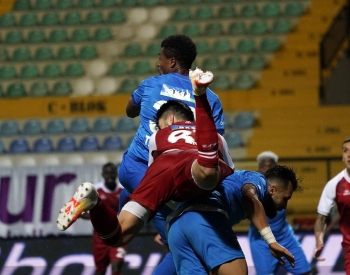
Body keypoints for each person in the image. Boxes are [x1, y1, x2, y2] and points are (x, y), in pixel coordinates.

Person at [56, 71, 233, 258]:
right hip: (193, 166)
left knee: (117, 237)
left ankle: (95, 203)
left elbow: (155, 173)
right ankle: (200, 95)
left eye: (159, 123)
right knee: (207, 174)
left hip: (160, 171)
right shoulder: (214, 136)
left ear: (170, 119)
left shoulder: (157, 137)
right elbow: (227, 173)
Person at [118, 34, 225, 274]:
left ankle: (116, 225)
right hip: (178, 175)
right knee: (181, 233)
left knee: (133, 210)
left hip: (136, 167)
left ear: (173, 62)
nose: (158, 63)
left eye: (161, 58)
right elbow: (214, 142)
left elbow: (129, 109)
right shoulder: (212, 99)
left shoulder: (151, 84)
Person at [167, 165, 299, 275]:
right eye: (285, 198)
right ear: (272, 190)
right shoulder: (259, 180)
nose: (284, 207)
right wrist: (271, 241)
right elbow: (249, 196)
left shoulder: (233, 197)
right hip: (203, 216)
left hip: (176, 225)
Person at [248, 151, 311, 275]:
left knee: (305, 272)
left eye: (270, 166)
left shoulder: (283, 187)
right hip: (261, 242)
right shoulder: (252, 190)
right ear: (258, 168)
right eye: (263, 167)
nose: (266, 170)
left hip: (285, 237)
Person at [80, 163, 126, 275]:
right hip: (99, 237)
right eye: (107, 173)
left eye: (112, 173)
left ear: (116, 174)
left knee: (116, 267)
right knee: (101, 271)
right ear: (102, 174)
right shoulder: (94, 191)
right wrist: (98, 218)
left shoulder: (123, 191)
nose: (110, 176)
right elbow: (81, 212)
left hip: (118, 234)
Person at [314, 137, 350, 274]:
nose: (349, 155)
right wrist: (319, 240)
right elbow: (321, 218)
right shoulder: (334, 185)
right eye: (345, 151)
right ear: (342, 156)